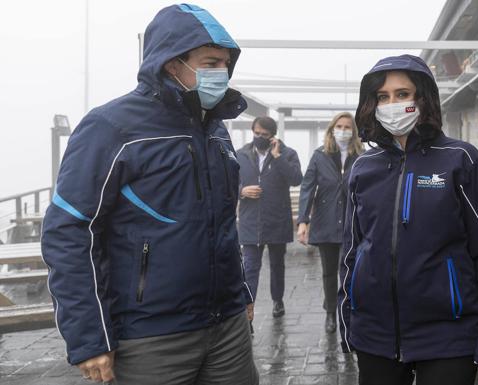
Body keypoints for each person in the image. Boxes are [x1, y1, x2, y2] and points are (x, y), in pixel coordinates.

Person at [41, 4, 258, 384]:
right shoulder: (110, 127)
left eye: (225, 63)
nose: (220, 73)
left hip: (227, 329)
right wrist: (90, 336)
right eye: (209, 63)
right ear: (173, 64)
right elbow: (69, 231)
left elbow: (222, 221)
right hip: (150, 337)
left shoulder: (216, 130)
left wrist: (240, 291)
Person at [338, 54, 478, 385]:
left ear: (423, 97)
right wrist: (347, 322)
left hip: (448, 336)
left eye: (402, 94)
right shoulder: (363, 167)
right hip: (375, 335)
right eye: (383, 96)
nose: (392, 103)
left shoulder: (460, 160)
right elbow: (351, 252)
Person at [296, 112, 363, 333]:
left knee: (350, 269)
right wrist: (303, 221)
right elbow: (307, 187)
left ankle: (349, 309)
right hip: (325, 220)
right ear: (332, 129)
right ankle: (330, 313)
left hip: (352, 222)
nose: (343, 130)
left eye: (347, 127)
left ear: (353, 131)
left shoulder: (361, 155)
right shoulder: (319, 155)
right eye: (339, 126)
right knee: (328, 271)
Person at [237, 117, 303, 319]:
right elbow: (226, 182)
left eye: (264, 135)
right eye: (256, 133)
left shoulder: (288, 154)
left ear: (272, 136)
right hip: (250, 222)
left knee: (277, 265)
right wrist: (242, 191)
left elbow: (296, 179)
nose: (259, 137)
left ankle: (278, 300)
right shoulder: (240, 155)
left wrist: (277, 157)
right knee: (250, 268)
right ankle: (249, 308)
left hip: (277, 221)